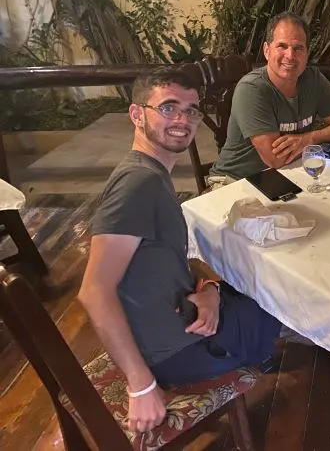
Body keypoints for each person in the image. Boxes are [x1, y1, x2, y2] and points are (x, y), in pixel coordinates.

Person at [78, 68, 282, 434]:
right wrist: (141, 385)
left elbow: (174, 260)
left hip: (181, 318)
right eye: (168, 108)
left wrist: (208, 290)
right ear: (137, 114)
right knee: (280, 299)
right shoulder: (138, 184)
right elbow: (94, 290)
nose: (183, 120)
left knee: (243, 281)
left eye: (191, 111)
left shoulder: (151, 173)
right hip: (174, 353)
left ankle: (249, 340)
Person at [209, 11, 330, 185]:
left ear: (306, 53)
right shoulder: (252, 89)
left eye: (298, 48)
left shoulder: (313, 79)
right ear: (266, 50)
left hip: (285, 177)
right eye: (282, 46)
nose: (290, 56)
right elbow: (275, 160)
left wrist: (309, 139)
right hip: (234, 182)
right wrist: (318, 140)